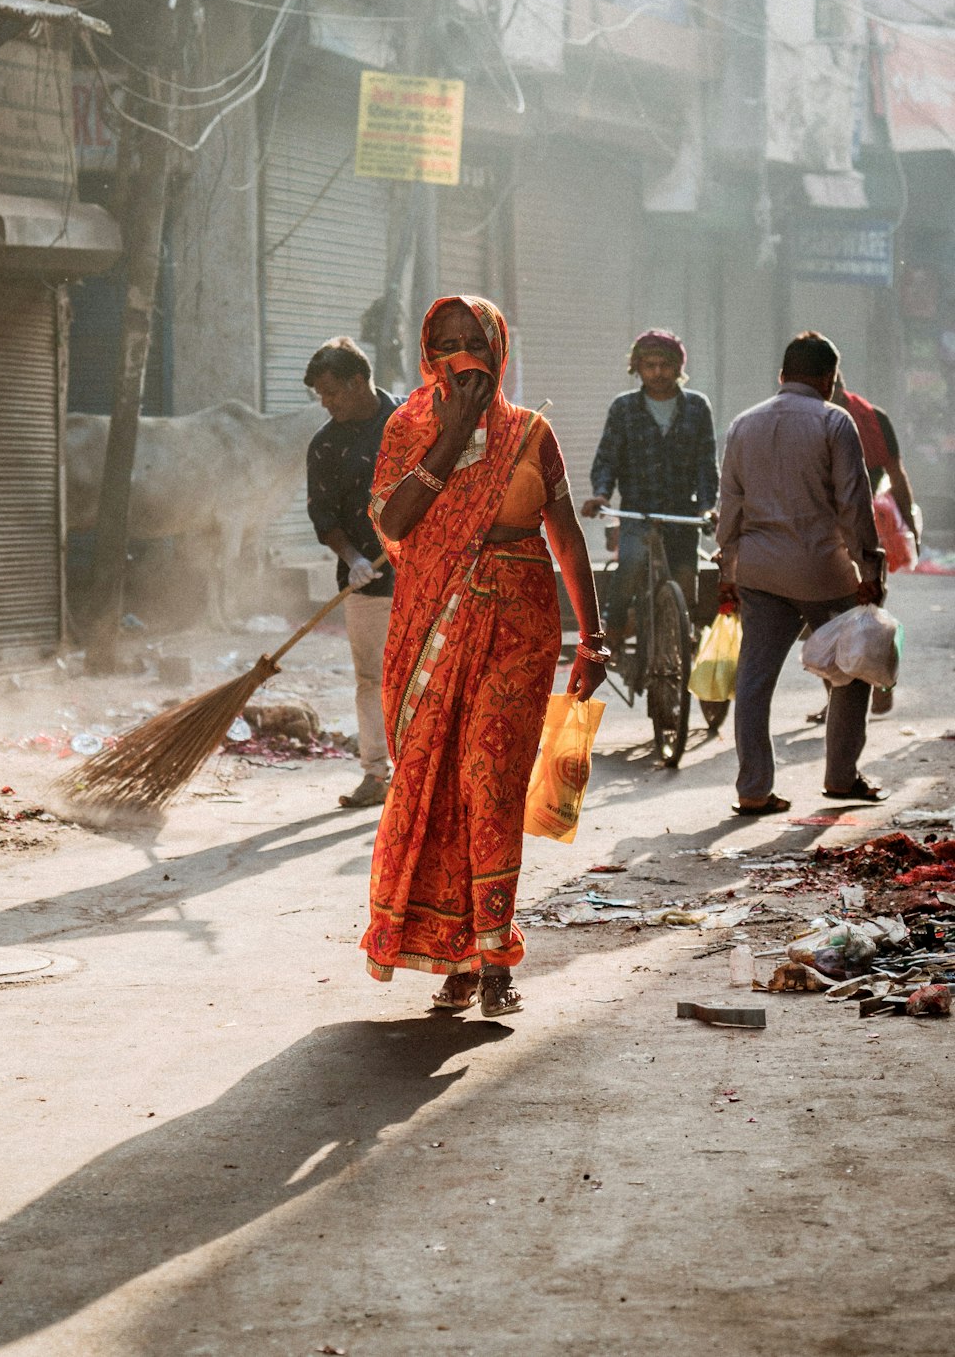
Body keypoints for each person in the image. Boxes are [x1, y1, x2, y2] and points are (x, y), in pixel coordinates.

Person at [360, 295, 606, 1018]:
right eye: (448, 343)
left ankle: (495, 957)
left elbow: (565, 537)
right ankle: (455, 955)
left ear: (501, 349)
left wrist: (592, 635)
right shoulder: (407, 430)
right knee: (436, 789)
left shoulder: (531, 433)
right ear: (428, 355)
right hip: (431, 626)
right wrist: (455, 431)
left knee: (488, 783)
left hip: (518, 627)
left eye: (477, 341)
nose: (463, 354)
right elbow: (394, 521)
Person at [716, 331, 888, 817]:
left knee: (754, 681)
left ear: (782, 375)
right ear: (829, 380)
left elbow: (730, 505)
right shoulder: (835, 422)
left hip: (759, 571)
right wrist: (870, 568)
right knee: (852, 670)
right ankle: (841, 777)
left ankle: (753, 787)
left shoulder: (743, 424)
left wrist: (726, 567)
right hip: (823, 571)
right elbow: (855, 503)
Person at [305, 337, 399, 808]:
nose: (326, 403)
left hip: (430, 576)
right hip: (367, 582)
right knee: (372, 679)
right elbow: (324, 517)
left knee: (430, 675)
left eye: (332, 392)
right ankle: (376, 775)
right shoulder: (325, 445)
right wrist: (353, 559)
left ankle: (425, 775)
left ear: (358, 381)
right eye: (320, 395)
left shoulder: (411, 423)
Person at [581, 329, 718, 650]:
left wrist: (707, 506)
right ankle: (613, 631)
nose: (658, 372)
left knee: (686, 581)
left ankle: (683, 642)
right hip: (637, 513)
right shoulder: (624, 408)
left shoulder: (697, 407)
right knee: (629, 564)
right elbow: (607, 459)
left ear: (677, 368)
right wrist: (601, 493)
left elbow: (706, 463)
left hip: (683, 514)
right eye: (650, 365)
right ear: (638, 368)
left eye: (665, 365)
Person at [833, 374, 919, 715]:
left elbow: (896, 475)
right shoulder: (805, 417)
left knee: (871, 612)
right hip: (823, 528)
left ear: (835, 382)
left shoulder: (873, 418)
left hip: (868, 528)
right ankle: (838, 698)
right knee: (830, 618)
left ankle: (883, 679)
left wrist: (909, 529)